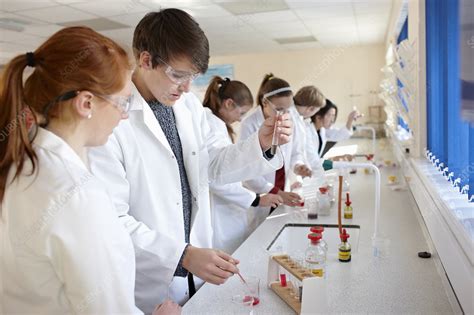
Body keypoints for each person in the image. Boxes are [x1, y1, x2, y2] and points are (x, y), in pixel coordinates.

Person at [88, 9, 293, 313]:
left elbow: (213, 166)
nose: (186, 88)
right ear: (145, 60)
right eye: (178, 75)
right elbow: (112, 220)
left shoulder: (188, 108)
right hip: (147, 281)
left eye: (193, 78)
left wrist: (260, 144)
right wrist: (180, 255)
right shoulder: (113, 119)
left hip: (195, 269)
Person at [0, 27, 179, 315]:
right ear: (86, 103)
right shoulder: (76, 194)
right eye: (122, 102)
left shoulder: (21, 163)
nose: (123, 114)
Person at [202, 76, 283, 253]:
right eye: (241, 113)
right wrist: (255, 199)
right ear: (229, 104)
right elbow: (215, 177)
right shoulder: (212, 124)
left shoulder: (217, 124)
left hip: (229, 208)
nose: (240, 120)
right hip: (220, 211)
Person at [239, 73, 311, 227]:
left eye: (288, 109)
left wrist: (298, 166)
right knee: (259, 237)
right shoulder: (249, 125)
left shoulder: (289, 119)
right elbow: (247, 171)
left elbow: (295, 152)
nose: (285, 114)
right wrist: (276, 192)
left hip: (282, 193)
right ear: (265, 102)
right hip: (260, 196)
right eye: (279, 109)